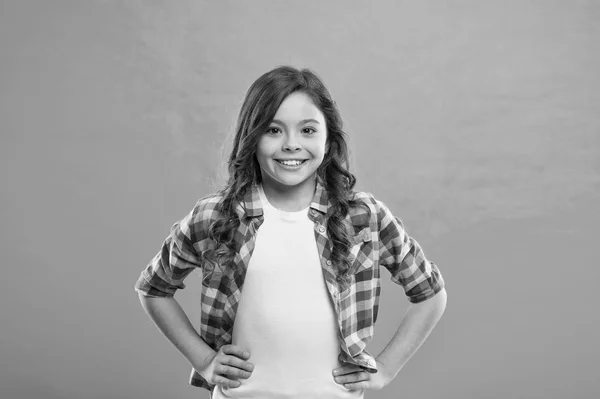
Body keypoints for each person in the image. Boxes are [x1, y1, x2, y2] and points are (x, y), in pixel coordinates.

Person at [134, 65, 447, 399]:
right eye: (273, 130)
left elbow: (430, 294)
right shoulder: (216, 216)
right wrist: (205, 360)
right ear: (251, 138)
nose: (291, 144)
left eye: (308, 130)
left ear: (329, 140)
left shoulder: (363, 217)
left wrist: (385, 369)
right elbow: (153, 288)